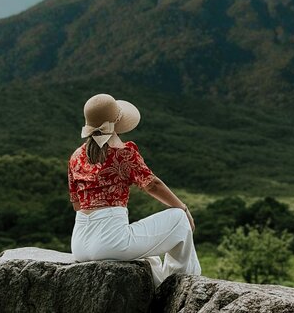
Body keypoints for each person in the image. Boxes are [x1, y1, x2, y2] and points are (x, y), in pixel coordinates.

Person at [68, 93, 201, 287]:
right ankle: (181, 287)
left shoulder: (76, 156)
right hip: (111, 242)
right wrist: (184, 208)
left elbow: (77, 204)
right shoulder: (124, 153)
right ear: (117, 122)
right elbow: (153, 185)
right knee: (179, 219)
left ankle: (158, 289)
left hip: (79, 244)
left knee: (150, 260)